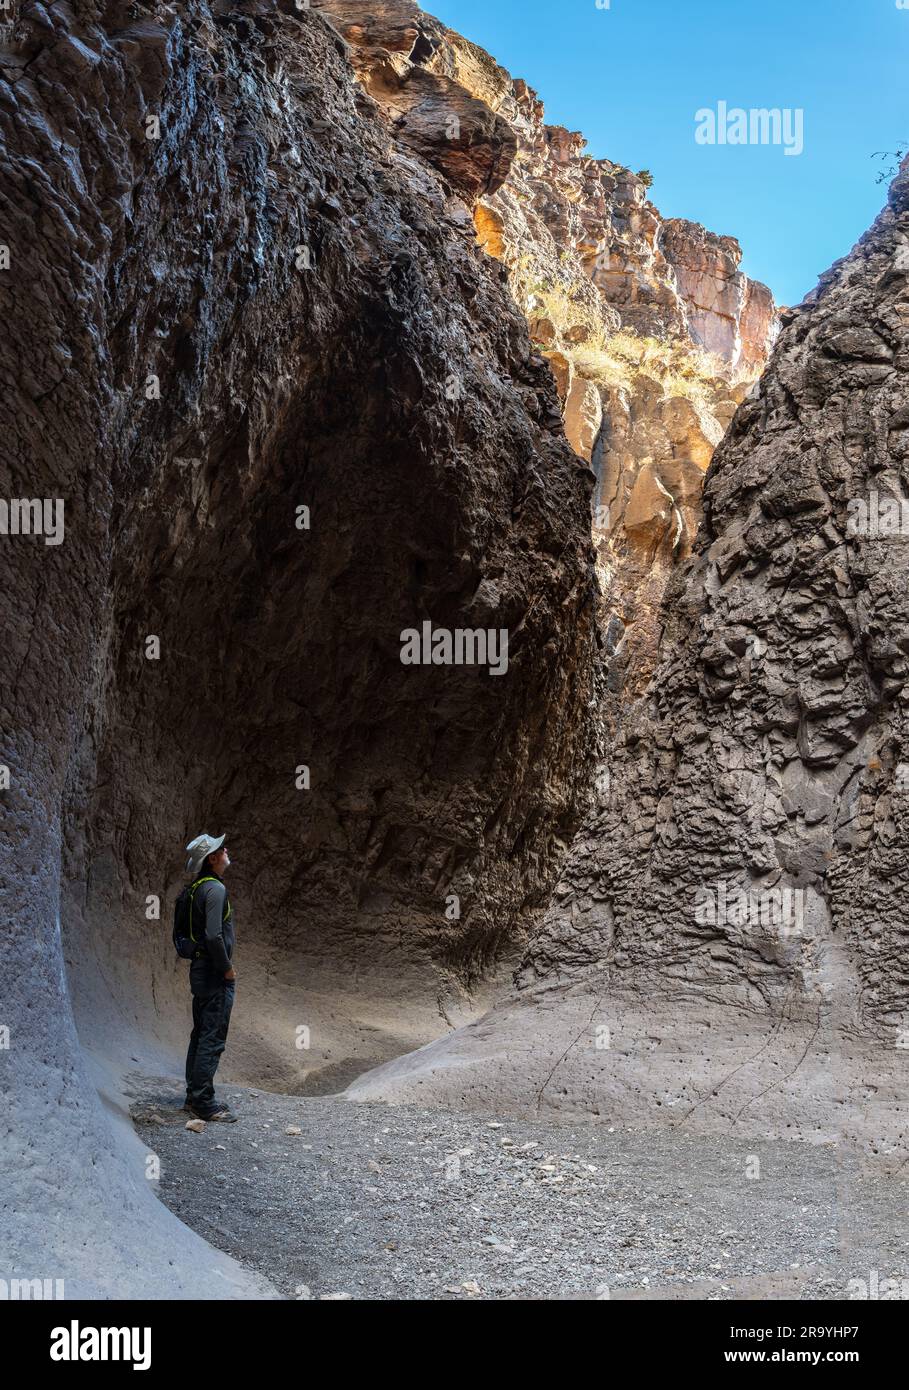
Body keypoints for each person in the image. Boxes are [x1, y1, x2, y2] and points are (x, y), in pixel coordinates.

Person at [182, 833, 238, 1122]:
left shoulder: (196, 888)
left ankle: (194, 1096)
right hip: (215, 973)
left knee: (200, 1034)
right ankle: (204, 1103)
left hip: (200, 970)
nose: (226, 849)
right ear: (212, 858)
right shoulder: (215, 889)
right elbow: (214, 936)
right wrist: (227, 968)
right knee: (212, 1038)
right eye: (220, 848)